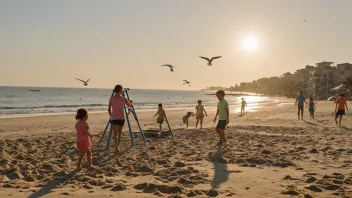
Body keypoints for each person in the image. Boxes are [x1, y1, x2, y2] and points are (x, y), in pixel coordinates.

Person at [108, 85, 133, 154]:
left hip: (114, 118)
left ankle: (116, 148)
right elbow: (129, 106)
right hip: (121, 118)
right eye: (121, 90)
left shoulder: (112, 98)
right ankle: (118, 146)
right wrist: (130, 102)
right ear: (120, 90)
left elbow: (109, 109)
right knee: (119, 133)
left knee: (115, 134)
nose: (122, 91)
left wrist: (111, 116)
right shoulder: (123, 98)